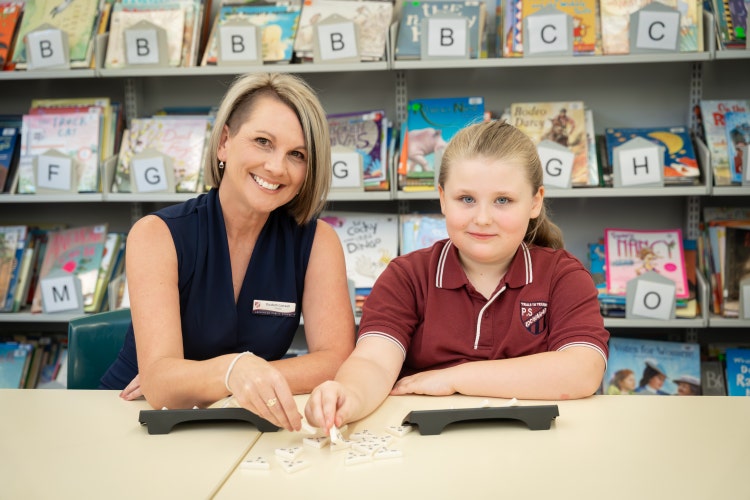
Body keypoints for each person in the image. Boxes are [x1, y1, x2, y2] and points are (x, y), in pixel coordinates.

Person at [304, 120, 609, 430]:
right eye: (466, 199)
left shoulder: (563, 276)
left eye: (503, 200)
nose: (483, 218)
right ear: (442, 199)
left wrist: (454, 377)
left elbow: (583, 370)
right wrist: (346, 396)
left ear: (535, 202)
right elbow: (373, 362)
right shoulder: (406, 276)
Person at [100, 72, 355, 431]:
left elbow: (338, 362)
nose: (277, 167)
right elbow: (159, 386)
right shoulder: (156, 235)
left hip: (239, 423)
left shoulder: (317, 242)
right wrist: (227, 373)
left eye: (296, 154)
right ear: (224, 142)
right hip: (136, 421)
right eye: (263, 141)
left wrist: (212, 379)